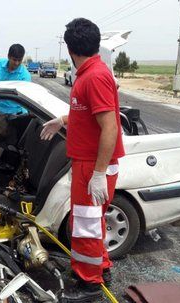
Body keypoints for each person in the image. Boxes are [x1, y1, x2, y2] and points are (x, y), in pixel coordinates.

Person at [40, 18, 125, 302]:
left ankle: (89, 285)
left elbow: (109, 126)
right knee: (91, 222)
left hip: (93, 165)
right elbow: (88, 115)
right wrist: (63, 120)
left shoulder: (95, 76)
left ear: (70, 49)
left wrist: (99, 172)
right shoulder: (89, 74)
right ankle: (99, 268)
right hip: (88, 163)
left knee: (86, 224)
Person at [0, 43, 31, 115]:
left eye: (19, 60)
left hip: (15, 114)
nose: (17, 63)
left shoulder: (25, 76)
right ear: (8, 56)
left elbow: (26, 97)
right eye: (14, 60)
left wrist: (24, 115)